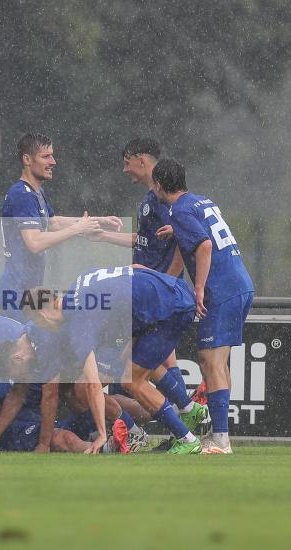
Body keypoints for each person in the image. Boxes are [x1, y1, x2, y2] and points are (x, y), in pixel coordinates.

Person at [89, 139, 206, 448]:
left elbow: (184, 239)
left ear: (141, 160)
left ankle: (188, 424)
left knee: (142, 368)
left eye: (127, 162)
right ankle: (188, 421)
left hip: (156, 298)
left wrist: (165, 283)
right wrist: (104, 237)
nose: (124, 168)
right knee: (154, 365)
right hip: (149, 295)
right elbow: (142, 240)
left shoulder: (166, 198)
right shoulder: (149, 198)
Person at [23, 266, 207, 454]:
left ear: (42, 315)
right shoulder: (82, 278)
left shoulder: (78, 321)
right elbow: (135, 268)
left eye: (37, 322)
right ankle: (189, 407)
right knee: (137, 365)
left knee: (133, 380)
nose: (43, 328)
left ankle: (188, 439)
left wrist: (103, 434)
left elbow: (92, 385)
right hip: (173, 289)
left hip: (169, 309)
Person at [151, 158, 255, 454]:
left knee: (210, 361)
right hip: (240, 284)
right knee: (217, 361)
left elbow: (205, 245)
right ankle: (218, 433)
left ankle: (221, 440)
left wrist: (198, 288)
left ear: (158, 185)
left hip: (221, 290)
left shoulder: (178, 210)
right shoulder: (199, 202)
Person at [0, 133, 118, 322]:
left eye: (52, 155)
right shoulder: (22, 195)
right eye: (46, 156)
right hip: (16, 290)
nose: (53, 161)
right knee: (20, 349)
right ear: (27, 159)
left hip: (29, 289)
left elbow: (53, 222)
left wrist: (96, 221)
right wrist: (77, 229)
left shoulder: (35, 192)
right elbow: (35, 243)